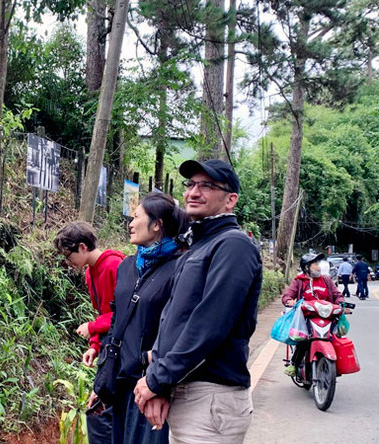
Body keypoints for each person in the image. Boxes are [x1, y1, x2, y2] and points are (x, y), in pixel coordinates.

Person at [133, 159, 262, 444]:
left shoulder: (233, 245)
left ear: (231, 199)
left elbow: (209, 325)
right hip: (187, 392)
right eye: (191, 184)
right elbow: (172, 321)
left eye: (207, 186)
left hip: (211, 398)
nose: (193, 192)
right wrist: (161, 383)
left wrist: (157, 380)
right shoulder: (196, 247)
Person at [108, 192, 186, 444]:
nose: (130, 224)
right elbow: (116, 320)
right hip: (121, 381)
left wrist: (158, 383)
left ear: (156, 225)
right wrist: (104, 375)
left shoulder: (180, 267)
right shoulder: (127, 266)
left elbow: (179, 329)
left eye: (136, 217)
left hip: (150, 385)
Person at [54, 221, 124, 444]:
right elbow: (103, 313)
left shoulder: (114, 265)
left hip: (123, 352)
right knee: (99, 411)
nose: (68, 262)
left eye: (68, 256)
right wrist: (94, 345)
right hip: (108, 347)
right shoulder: (89, 273)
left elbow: (124, 314)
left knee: (104, 413)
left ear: (82, 247)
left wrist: (92, 328)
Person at [281, 252, 344, 376]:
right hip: (306, 318)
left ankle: (334, 365)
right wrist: (289, 301)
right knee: (304, 339)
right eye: (315, 264)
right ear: (306, 267)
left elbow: (337, 295)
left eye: (318, 264)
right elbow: (288, 295)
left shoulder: (326, 280)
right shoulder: (299, 281)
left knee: (335, 337)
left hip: (327, 317)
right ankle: (294, 364)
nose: (319, 267)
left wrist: (341, 303)